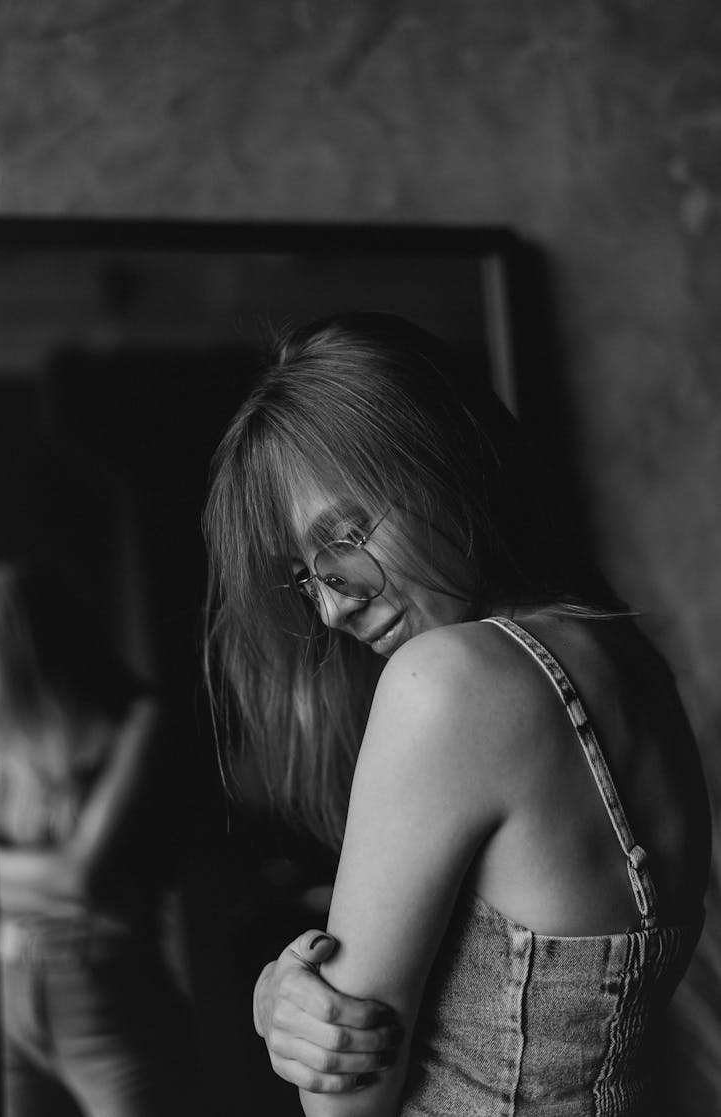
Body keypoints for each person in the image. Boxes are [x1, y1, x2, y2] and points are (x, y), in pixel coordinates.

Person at [202, 313, 711, 1116]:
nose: (333, 607)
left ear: (443, 460)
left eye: (347, 535)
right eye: (307, 575)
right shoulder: (631, 661)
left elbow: (343, 1101)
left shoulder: (446, 680)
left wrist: (283, 1007)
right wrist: (282, 993)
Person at [0, 561, 196, 1117]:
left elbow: (78, 875)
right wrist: (53, 878)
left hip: (100, 987)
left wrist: (1, 873)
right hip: (3, 986)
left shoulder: (137, 723)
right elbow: (68, 878)